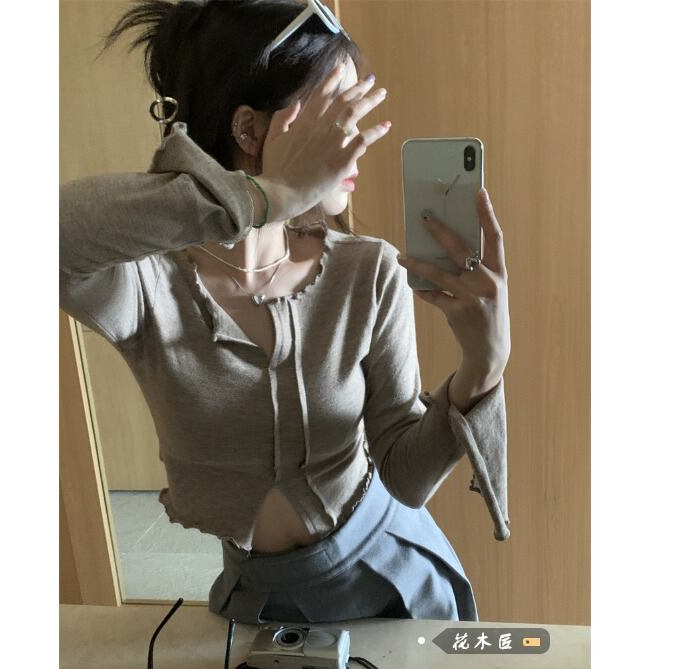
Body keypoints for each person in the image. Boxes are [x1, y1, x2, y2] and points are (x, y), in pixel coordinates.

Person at [60, 0, 511, 625]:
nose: (357, 146)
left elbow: (405, 478)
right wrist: (262, 197)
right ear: (249, 131)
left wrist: (484, 364)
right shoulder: (145, 285)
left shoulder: (369, 270)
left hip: (399, 582)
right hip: (259, 603)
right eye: (337, 118)